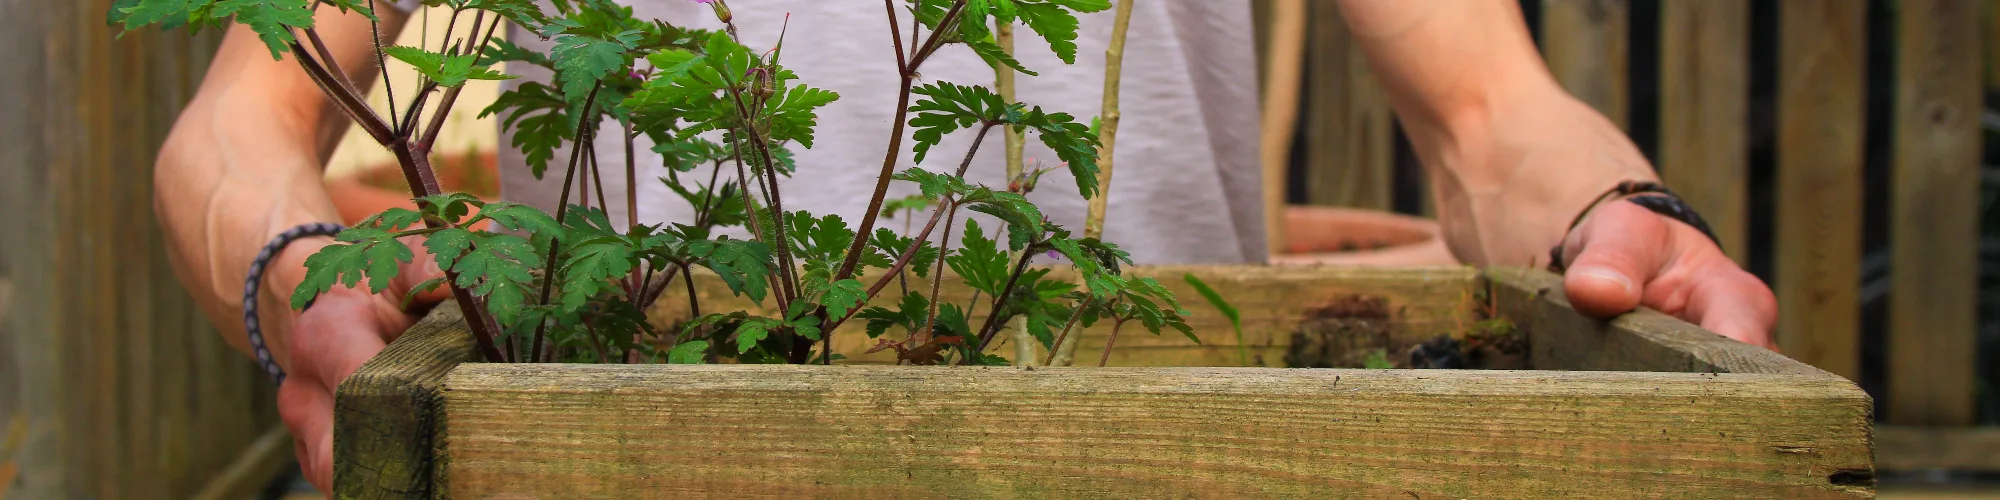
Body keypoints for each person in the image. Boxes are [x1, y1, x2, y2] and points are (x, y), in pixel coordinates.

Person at [150, 0, 1778, 492]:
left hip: (1179, 458)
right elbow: (234, 127)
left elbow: (1491, 113)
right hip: (621, 461)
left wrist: (1621, 224)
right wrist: (290, 266)